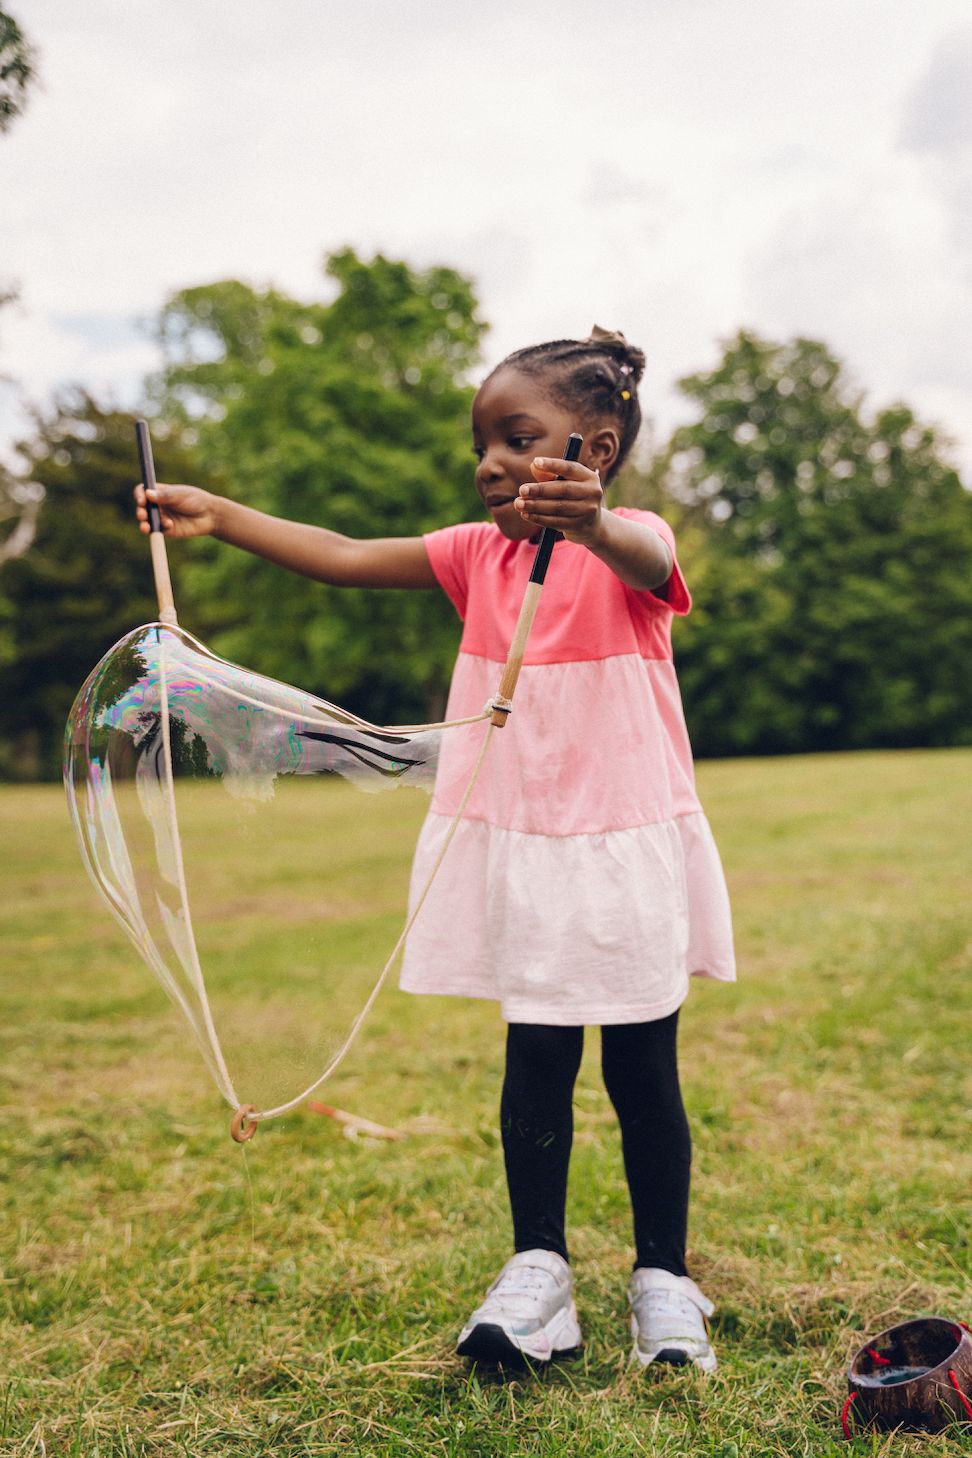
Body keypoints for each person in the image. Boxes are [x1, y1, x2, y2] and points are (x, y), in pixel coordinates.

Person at [135, 328, 735, 1373]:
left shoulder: (628, 540)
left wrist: (597, 526)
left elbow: (650, 557)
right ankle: (539, 1272)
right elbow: (344, 555)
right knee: (534, 1066)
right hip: (524, 854)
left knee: (645, 1069)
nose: (491, 463)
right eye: (483, 443)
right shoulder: (476, 555)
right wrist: (219, 517)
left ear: (594, 452)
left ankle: (663, 1278)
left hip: (626, 850)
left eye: (519, 438)